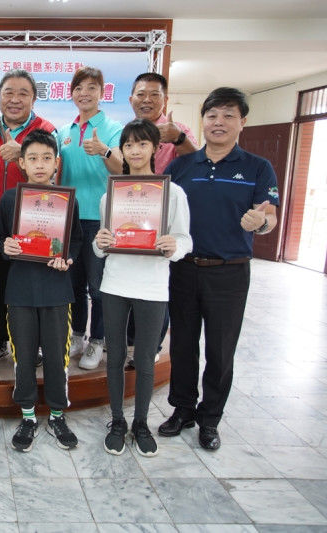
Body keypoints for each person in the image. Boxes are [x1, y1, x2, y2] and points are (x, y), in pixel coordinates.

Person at [160, 87, 279, 451]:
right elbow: (159, 209)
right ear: (203, 121)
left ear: (243, 122)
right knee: (181, 343)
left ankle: (210, 418)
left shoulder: (258, 167)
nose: (219, 122)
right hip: (183, 268)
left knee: (220, 349)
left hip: (229, 272)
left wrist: (260, 221)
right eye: (212, 115)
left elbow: (270, 217)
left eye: (228, 115)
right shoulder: (181, 166)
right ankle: (182, 409)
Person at [94, 119, 192, 457]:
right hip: (116, 283)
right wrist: (101, 241)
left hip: (152, 286)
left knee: (146, 359)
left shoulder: (172, 193)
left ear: (155, 148)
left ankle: (141, 423)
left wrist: (171, 246)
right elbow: (101, 246)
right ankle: (118, 421)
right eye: (129, 145)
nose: (135, 151)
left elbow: (184, 239)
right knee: (116, 356)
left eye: (142, 144)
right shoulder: (113, 195)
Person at [0, 130, 83, 452]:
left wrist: (67, 258)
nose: (40, 164)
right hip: (20, 292)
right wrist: (5, 246)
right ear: (22, 163)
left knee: (58, 358)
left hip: (57, 292)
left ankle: (58, 414)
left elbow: (75, 240)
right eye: (32, 158)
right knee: (24, 357)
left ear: (56, 163)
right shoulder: (9, 200)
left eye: (47, 158)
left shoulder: (66, 200)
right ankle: (29, 415)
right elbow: (1, 239)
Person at [0, 69, 57, 366]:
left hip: (34, 226)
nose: (15, 99)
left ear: (34, 98)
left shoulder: (46, 129)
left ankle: (30, 345)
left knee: (30, 288)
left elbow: (53, 176)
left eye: (23, 93)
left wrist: (22, 156)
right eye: (8, 92)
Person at [124, 72, 199, 367]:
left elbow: (197, 161)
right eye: (141, 94)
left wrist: (177, 138)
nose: (147, 100)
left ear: (165, 99)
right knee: (131, 284)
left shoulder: (176, 129)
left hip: (166, 219)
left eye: (154, 94)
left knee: (157, 287)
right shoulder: (129, 129)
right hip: (133, 214)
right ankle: (133, 344)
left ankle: (151, 346)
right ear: (131, 99)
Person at [57, 67, 124, 371]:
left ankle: (97, 340)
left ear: (102, 92)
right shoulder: (64, 132)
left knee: (98, 286)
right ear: (71, 93)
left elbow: (122, 169)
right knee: (72, 283)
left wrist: (105, 150)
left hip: (99, 220)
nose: (84, 93)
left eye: (92, 87)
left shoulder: (113, 128)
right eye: (79, 88)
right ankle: (76, 335)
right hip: (69, 220)